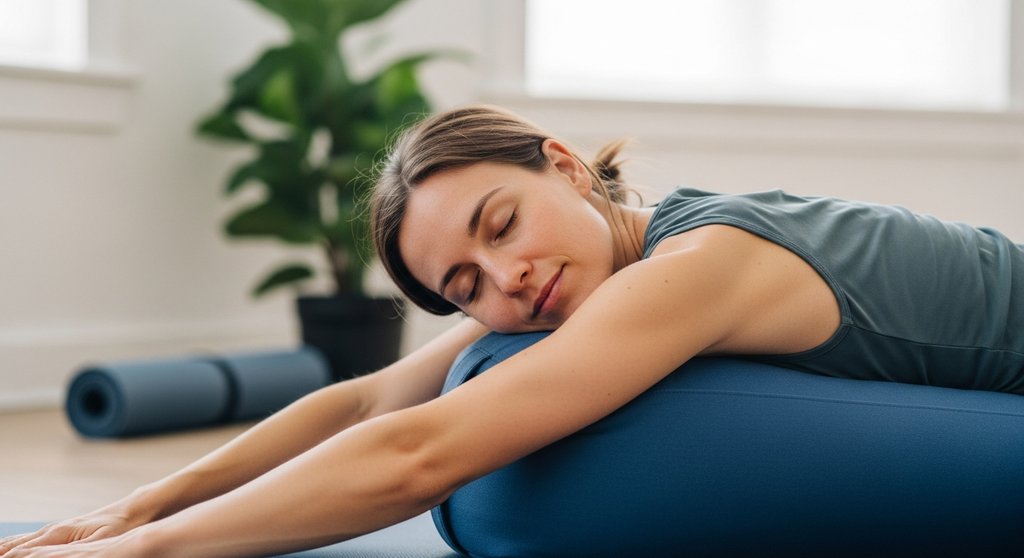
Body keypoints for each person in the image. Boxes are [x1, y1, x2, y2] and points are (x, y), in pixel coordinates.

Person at [2, 104, 1022, 557]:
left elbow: (418, 452)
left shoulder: (694, 267)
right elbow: (365, 399)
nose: (508, 279)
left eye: (502, 225)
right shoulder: (592, 270)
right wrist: (136, 505)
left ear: (564, 166)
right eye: (464, 283)